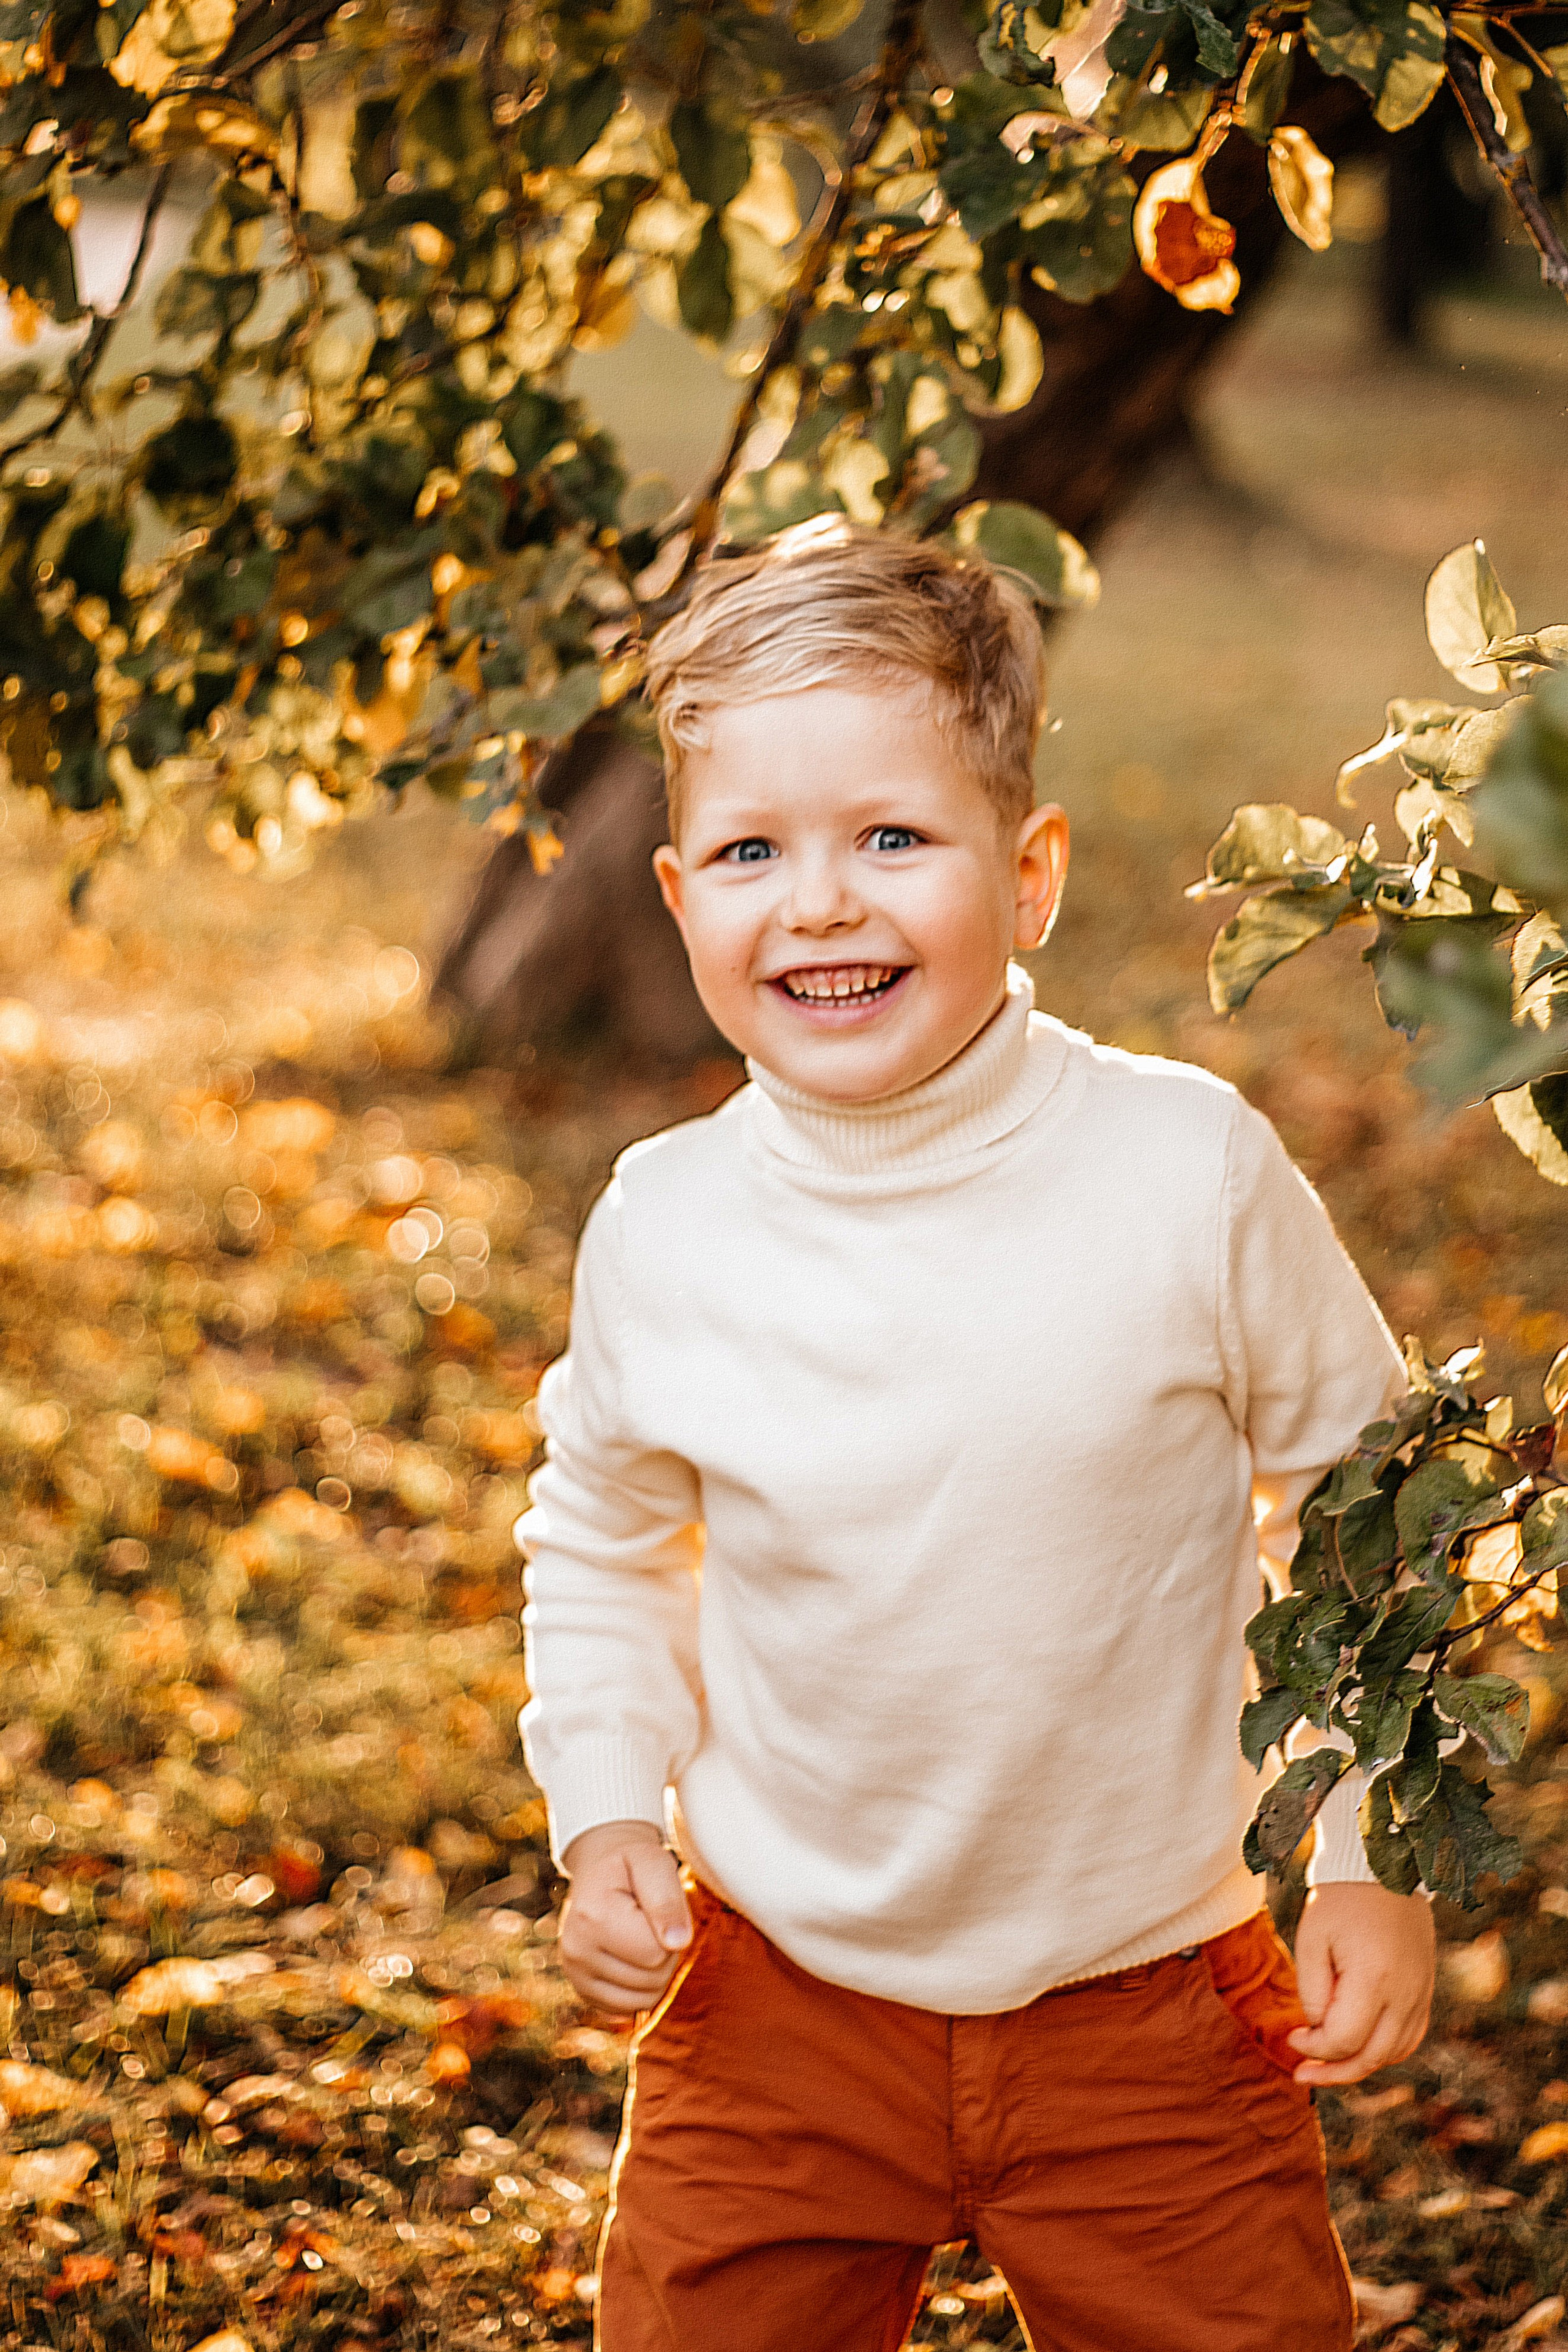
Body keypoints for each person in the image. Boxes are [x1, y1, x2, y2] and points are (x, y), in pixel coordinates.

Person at [514, 519, 1435, 2352]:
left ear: (1030, 877)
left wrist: (1363, 1849)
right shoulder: (667, 1223)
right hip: (773, 1995)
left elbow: (1364, 1510)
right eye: (759, 851)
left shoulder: (1185, 1174)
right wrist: (607, 1799)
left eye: (893, 840)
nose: (824, 902)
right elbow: (604, 1539)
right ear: (682, 893)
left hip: (1154, 1995)